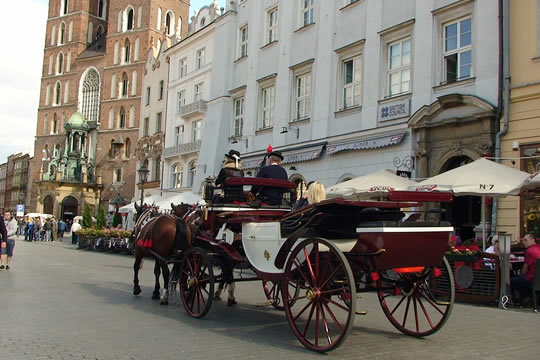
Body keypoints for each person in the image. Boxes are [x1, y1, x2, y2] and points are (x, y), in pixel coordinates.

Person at [510, 233, 540, 306]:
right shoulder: (538, 248)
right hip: (537, 279)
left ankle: (521, 300)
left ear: (533, 240)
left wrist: (521, 275)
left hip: (532, 279)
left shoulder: (529, 250)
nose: (523, 242)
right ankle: (528, 299)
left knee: (511, 281)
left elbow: (525, 268)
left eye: (526, 240)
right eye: (523, 240)